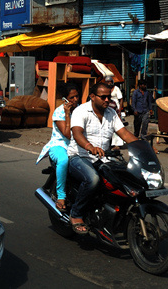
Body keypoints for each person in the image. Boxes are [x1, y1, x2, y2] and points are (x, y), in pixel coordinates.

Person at [67, 82, 139, 234]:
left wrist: (142, 145)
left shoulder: (111, 113)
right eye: (103, 97)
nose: (107, 100)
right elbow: (77, 133)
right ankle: (76, 214)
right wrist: (89, 147)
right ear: (92, 97)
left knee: (126, 178)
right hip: (79, 156)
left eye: (109, 97)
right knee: (93, 179)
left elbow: (124, 134)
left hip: (103, 159)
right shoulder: (81, 111)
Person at [36, 83, 80, 212]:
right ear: (65, 99)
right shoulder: (59, 112)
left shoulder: (80, 110)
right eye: (72, 98)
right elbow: (67, 134)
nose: (75, 100)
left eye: (77, 96)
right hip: (59, 145)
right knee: (63, 160)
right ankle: (61, 196)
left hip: (76, 145)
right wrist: (67, 114)